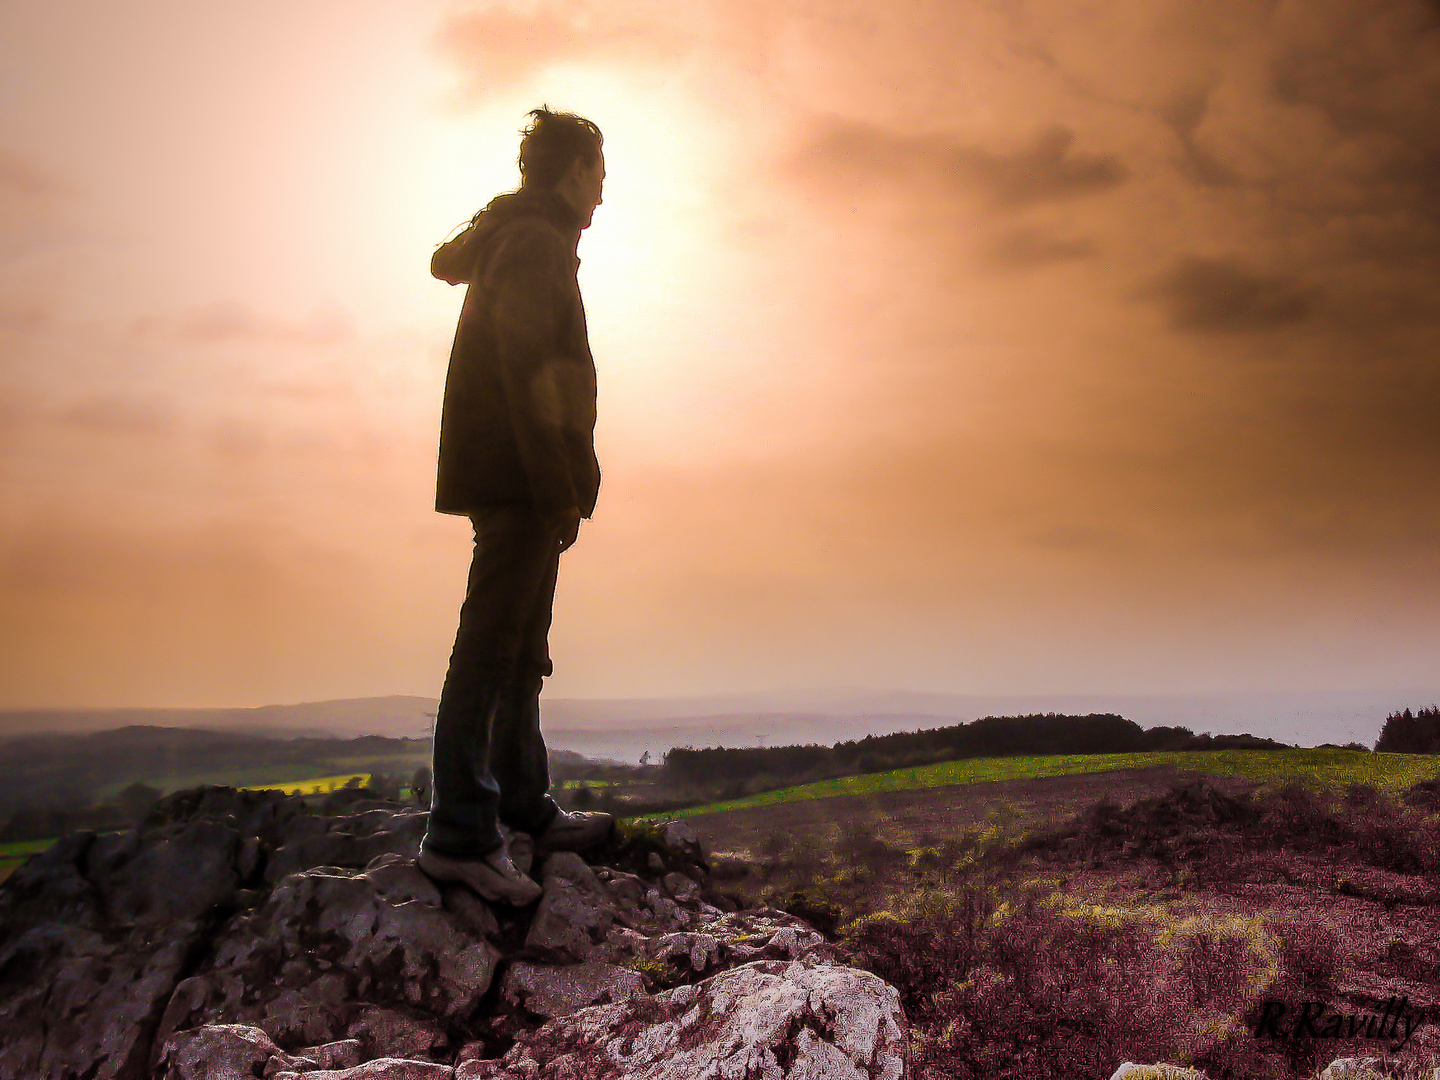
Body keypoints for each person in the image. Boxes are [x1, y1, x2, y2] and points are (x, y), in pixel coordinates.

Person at [416, 106, 612, 906]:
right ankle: (460, 834)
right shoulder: (535, 245)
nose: (603, 192)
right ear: (572, 172)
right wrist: (558, 490)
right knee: (491, 649)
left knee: (521, 647)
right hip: (519, 479)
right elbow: (532, 379)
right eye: (598, 173)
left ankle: (523, 802)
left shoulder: (518, 234)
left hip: (509, 475)